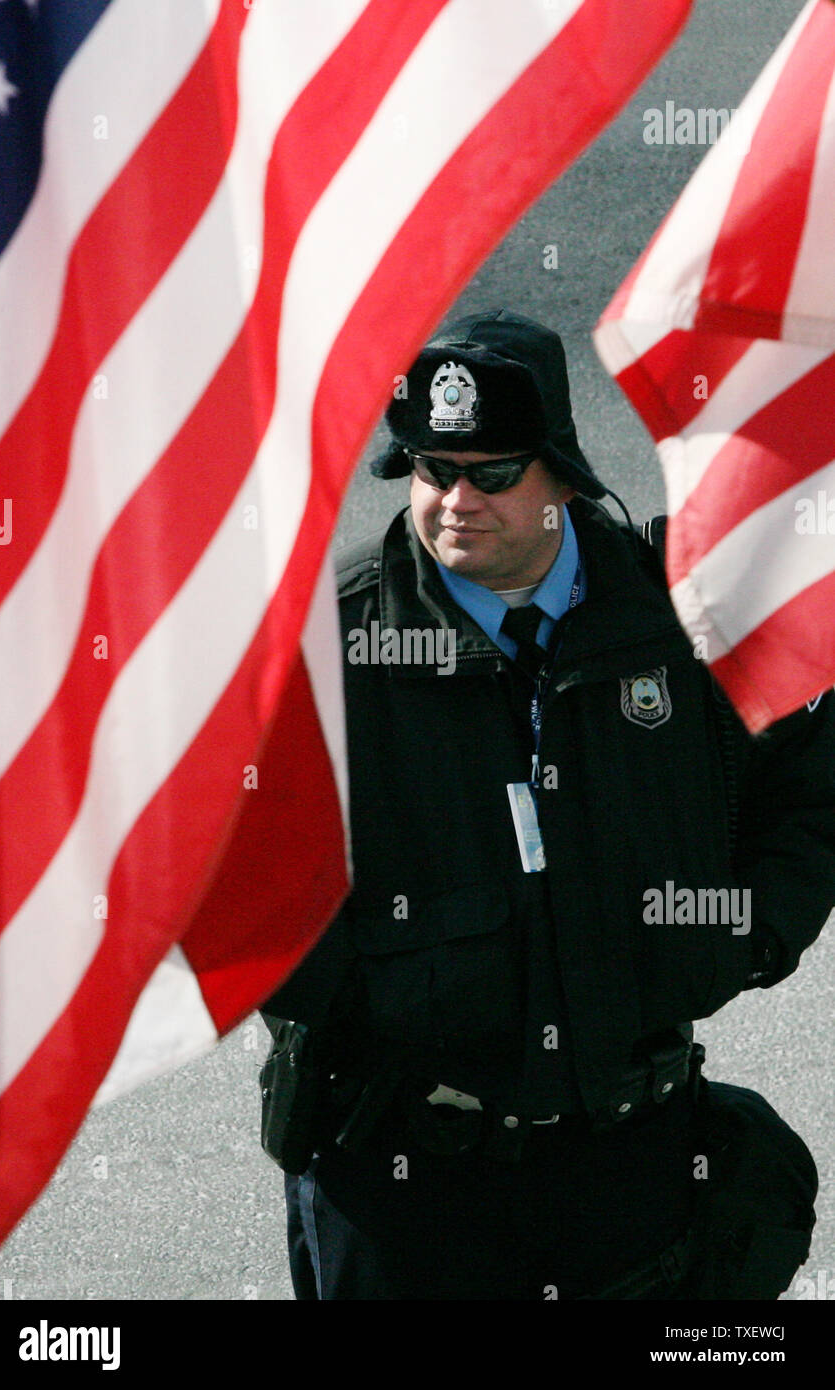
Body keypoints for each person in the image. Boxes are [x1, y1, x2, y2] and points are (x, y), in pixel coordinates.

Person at [260, 309, 835, 1301]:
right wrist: (371, 1001)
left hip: (626, 1168)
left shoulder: (678, 612)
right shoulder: (330, 645)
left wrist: (738, 935)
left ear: (561, 477)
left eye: (490, 474)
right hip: (408, 1189)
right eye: (432, 470)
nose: (454, 501)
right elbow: (241, 867)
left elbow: (810, 788)